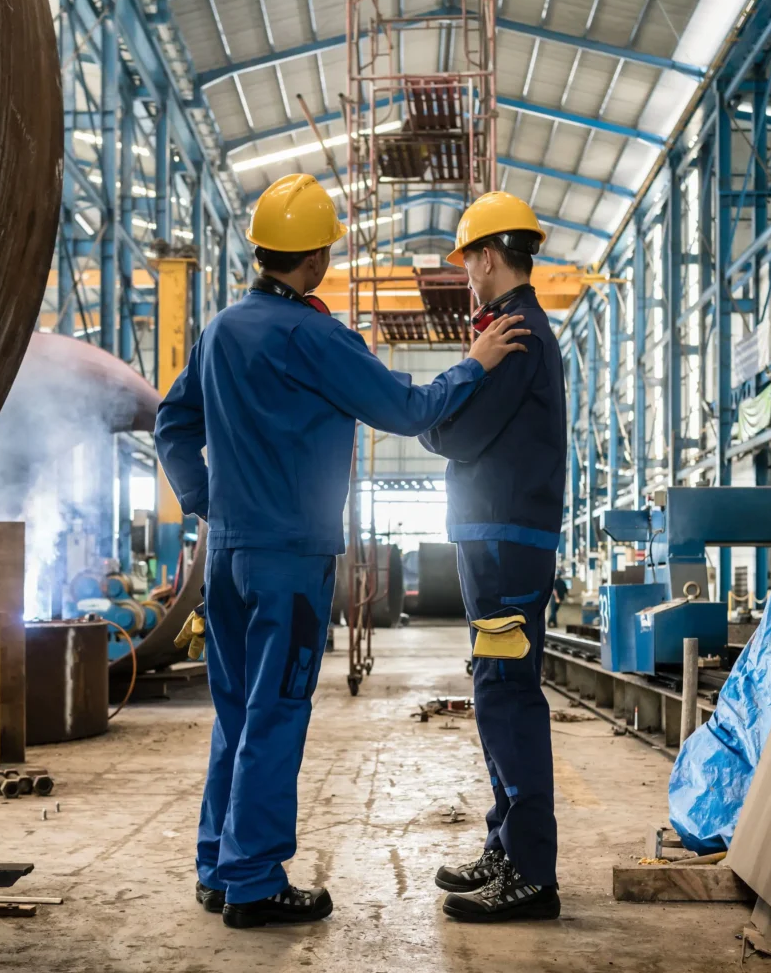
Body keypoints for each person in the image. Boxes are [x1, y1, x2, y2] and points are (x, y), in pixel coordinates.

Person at [155, 173, 531, 930]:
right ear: (318, 258)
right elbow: (406, 408)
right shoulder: (316, 337)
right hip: (288, 563)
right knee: (276, 714)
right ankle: (255, 883)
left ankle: (218, 867)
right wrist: (477, 362)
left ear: (263, 249)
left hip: (225, 556)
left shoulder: (224, 329)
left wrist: (205, 503)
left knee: (235, 714)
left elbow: (171, 422)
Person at [419, 191, 567, 923]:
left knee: (506, 694)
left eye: (466, 261)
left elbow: (449, 436)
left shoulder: (515, 337)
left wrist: (441, 405)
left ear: (484, 255)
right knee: (494, 687)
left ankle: (532, 873)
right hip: (499, 542)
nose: (465, 275)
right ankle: (507, 846)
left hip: (507, 549)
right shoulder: (513, 332)